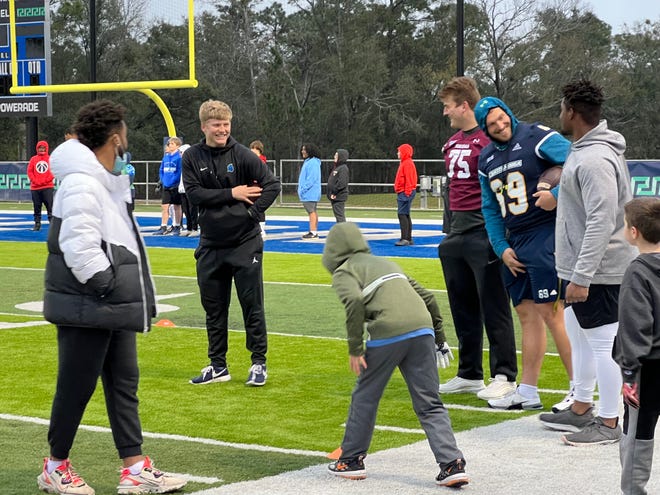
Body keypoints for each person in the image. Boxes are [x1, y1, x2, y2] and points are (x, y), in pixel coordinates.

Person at [38, 99, 186, 495]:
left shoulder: (101, 179)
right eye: (124, 134)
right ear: (115, 136)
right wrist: (107, 285)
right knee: (77, 385)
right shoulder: (84, 182)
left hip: (108, 304)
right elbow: (78, 246)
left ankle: (134, 467)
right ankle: (55, 466)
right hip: (90, 304)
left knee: (123, 382)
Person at [322, 222, 467, 487]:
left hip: (388, 331)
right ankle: (452, 464)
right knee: (429, 401)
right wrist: (440, 338)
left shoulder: (344, 271)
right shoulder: (387, 263)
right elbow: (429, 298)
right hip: (423, 330)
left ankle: (351, 460)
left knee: (365, 396)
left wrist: (355, 348)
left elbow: (353, 302)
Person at [538, 79, 637, 445]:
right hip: (580, 266)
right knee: (578, 332)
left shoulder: (594, 158)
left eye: (562, 108)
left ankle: (610, 423)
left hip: (600, 269)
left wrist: (582, 276)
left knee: (602, 342)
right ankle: (581, 407)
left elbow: (601, 218)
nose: (559, 114)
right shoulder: (583, 150)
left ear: (572, 113)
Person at [474, 96, 573, 411]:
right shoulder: (486, 158)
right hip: (515, 240)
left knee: (552, 314)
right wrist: (501, 248)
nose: (500, 125)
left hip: (546, 233)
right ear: (484, 129)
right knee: (527, 316)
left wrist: (556, 195)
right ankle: (528, 390)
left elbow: (579, 165)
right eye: (492, 124)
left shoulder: (536, 136)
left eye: (502, 118)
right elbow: (490, 208)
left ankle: (579, 390)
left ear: (509, 112)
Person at [183, 100, 281, 387]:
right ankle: (218, 366)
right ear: (204, 127)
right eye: (216, 125)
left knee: (252, 305)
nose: (222, 130)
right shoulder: (192, 157)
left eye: (226, 124)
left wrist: (251, 212)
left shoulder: (242, 155)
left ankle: (258, 363)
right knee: (214, 309)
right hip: (211, 244)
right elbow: (194, 194)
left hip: (244, 244)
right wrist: (233, 193)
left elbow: (272, 185)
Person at [437, 77, 518, 402]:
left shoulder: (490, 142)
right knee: (462, 305)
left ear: (464, 105)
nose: (446, 112)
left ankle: (504, 374)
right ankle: (469, 372)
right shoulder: (453, 142)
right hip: (456, 229)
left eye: (448, 106)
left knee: (494, 305)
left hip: (484, 230)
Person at [612, 197, 660, 494]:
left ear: (633, 232)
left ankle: (634, 491)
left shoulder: (637, 271)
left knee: (636, 436)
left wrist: (629, 373)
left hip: (647, 369)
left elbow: (635, 326)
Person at [154, 137, 183, 236]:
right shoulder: (166, 157)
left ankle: (177, 226)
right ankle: (163, 226)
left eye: (172, 144)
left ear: (177, 146)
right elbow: (161, 170)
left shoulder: (179, 158)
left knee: (176, 206)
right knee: (164, 206)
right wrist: (163, 180)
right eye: (169, 144)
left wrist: (174, 181)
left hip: (175, 185)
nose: (169, 145)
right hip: (166, 185)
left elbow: (179, 171)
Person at [27, 140, 54, 231]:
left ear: (46, 148)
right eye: (40, 148)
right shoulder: (33, 159)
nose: (42, 149)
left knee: (50, 206)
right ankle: (37, 223)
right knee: (36, 207)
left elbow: (53, 172)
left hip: (47, 187)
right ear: (37, 149)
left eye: (43, 148)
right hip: (35, 188)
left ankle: (52, 224)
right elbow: (30, 171)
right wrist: (35, 181)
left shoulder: (50, 159)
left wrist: (44, 181)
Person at [393, 143, 418, 246]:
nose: (398, 153)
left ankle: (405, 238)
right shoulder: (405, 163)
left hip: (405, 192)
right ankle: (408, 238)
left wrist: (407, 193)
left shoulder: (407, 163)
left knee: (402, 214)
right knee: (405, 214)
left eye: (399, 151)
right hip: (404, 191)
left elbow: (409, 179)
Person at [298, 143, 322, 239]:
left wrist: (303, 189)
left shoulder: (312, 162)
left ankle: (313, 232)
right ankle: (313, 230)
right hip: (310, 192)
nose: (302, 151)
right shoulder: (310, 162)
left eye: (305, 150)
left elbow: (311, 178)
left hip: (310, 193)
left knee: (311, 211)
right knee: (313, 211)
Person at [177, 144, 199, 237]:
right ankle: (189, 228)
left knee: (193, 210)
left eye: (181, 152)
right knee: (186, 210)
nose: (180, 154)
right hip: (183, 189)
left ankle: (195, 228)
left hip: (190, 189)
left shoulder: (193, 163)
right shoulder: (183, 163)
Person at [249, 140, 269, 239]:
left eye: (255, 152)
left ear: (259, 151)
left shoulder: (261, 161)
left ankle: (261, 229)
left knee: (259, 208)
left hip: (258, 187)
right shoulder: (252, 160)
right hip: (252, 187)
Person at [327, 148, 349, 222]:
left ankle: (343, 232)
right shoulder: (337, 168)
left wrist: (334, 192)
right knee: (338, 215)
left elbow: (342, 183)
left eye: (336, 156)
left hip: (339, 195)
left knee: (340, 216)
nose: (334, 157)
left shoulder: (343, 168)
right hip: (335, 196)